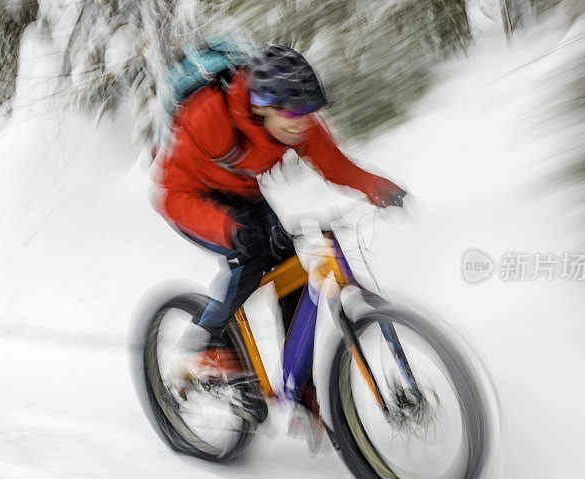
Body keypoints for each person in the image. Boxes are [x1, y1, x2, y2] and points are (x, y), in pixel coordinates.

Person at [154, 44, 405, 425]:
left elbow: (335, 165)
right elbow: (171, 193)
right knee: (250, 256)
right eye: (291, 113)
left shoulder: (296, 121)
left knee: (295, 263)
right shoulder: (207, 115)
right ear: (259, 105)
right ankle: (204, 348)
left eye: (308, 111)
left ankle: (298, 381)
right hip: (192, 198)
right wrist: (228, 230)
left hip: (244, 193)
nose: (303, 122)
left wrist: (379, 188)